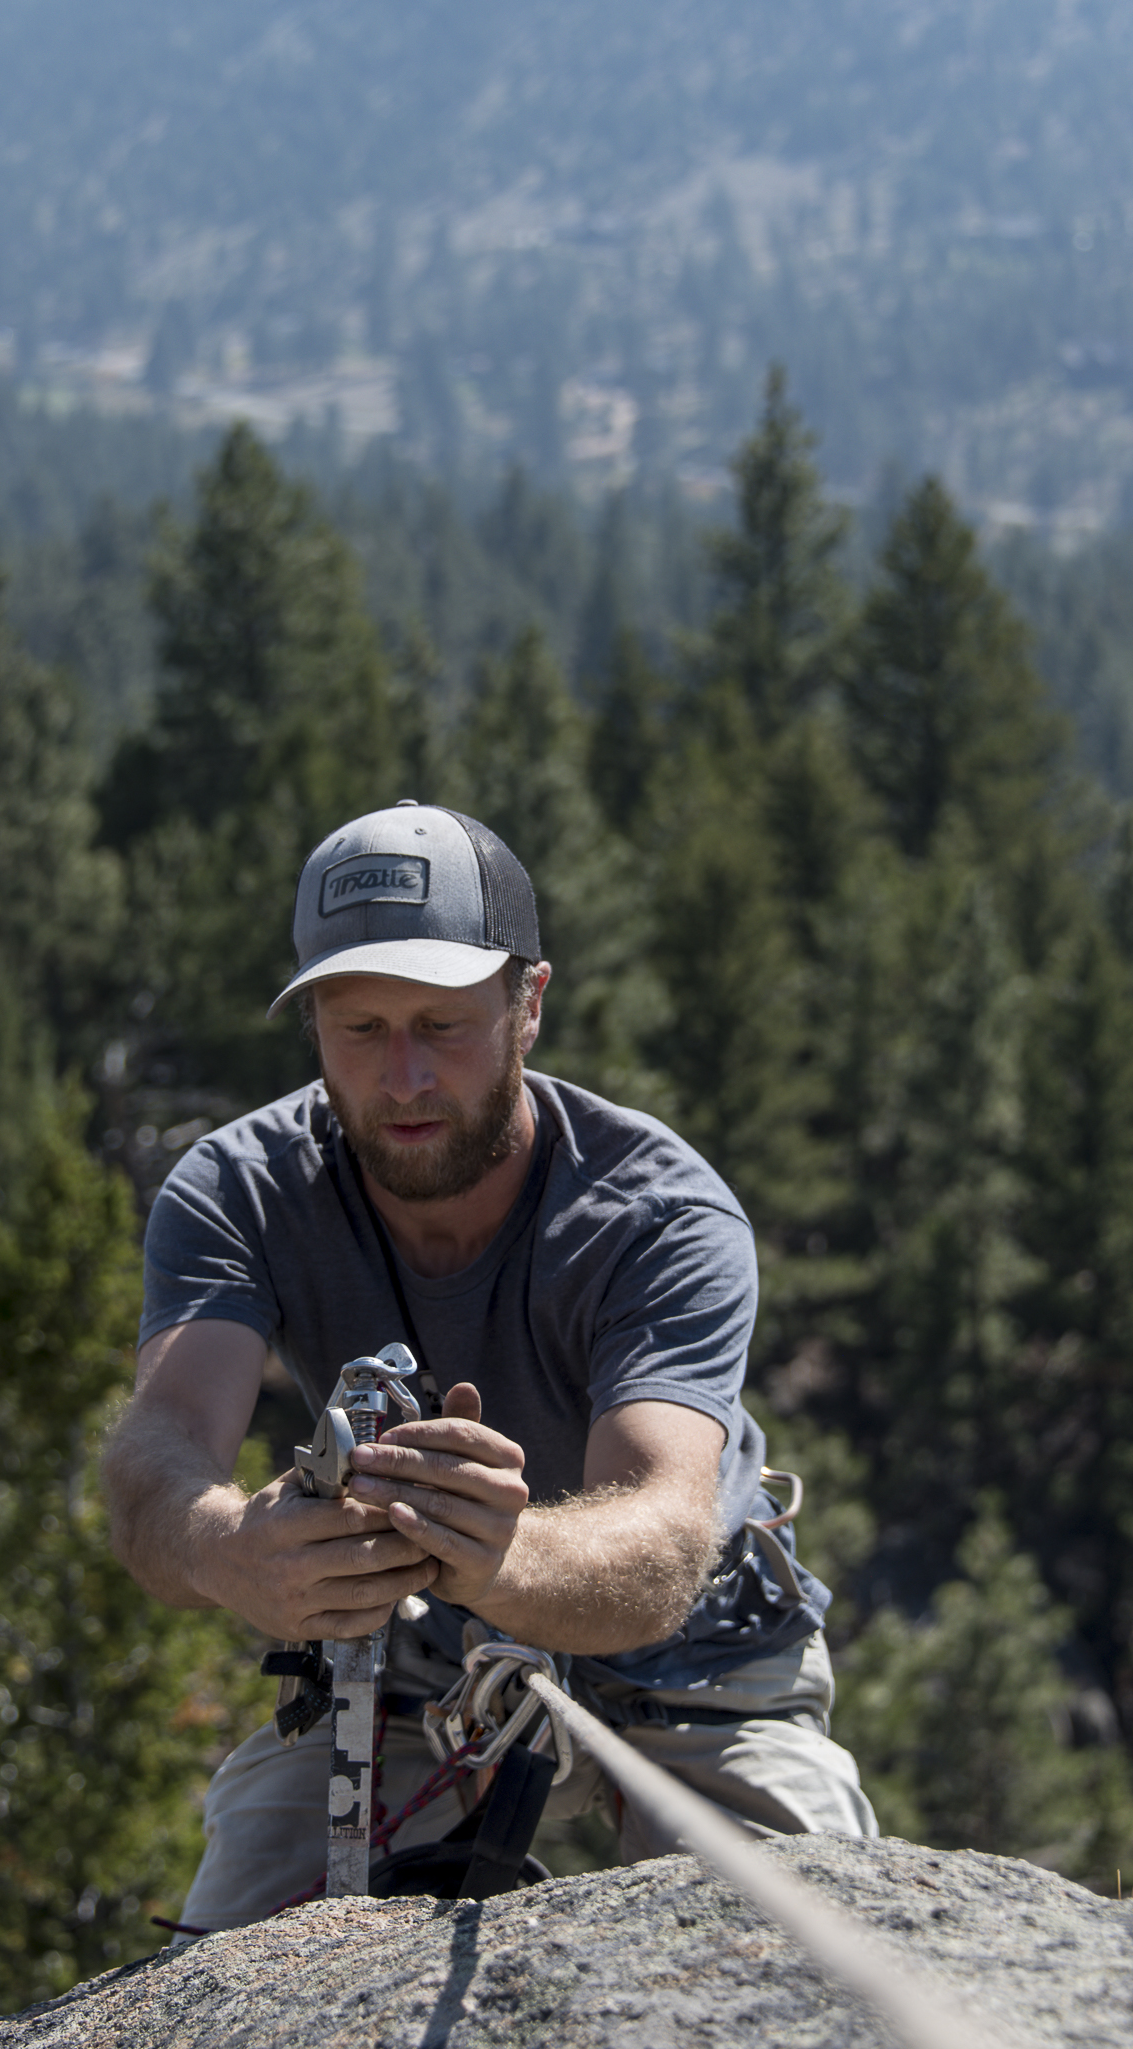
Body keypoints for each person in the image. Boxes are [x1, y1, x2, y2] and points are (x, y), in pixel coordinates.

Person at [105, 800, 876, 1929]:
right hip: (404, 1671)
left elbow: (665, 1537)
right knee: (232, 1957)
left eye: (442, 1025)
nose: (403, 1076)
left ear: (530, 1006)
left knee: (803, 1958)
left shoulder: (656, 1215)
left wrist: (501, 1559)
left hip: (691, 1663)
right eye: (358, 1029)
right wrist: (226, 1548)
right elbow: (160, 1449)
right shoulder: (239, 1192)